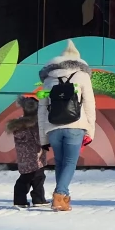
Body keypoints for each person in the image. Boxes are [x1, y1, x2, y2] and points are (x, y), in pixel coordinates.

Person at [38, 40, 97, 212]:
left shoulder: (49, 79)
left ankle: (63, 199)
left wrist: (43, 137)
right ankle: (59, 194)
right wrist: (90, 130)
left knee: (60, 163)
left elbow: (42, 109)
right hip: (75, 125)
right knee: (70, 162)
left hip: (53, 127)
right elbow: (89, 105)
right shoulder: (83, 76)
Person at [7, 96, 47, 208]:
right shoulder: (35, 125)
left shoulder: (18, 125)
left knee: (27, 177)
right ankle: (37, 199)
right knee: (37, 178)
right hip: (35, 158)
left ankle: (23, 200)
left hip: (24, 158)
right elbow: (39, 140)